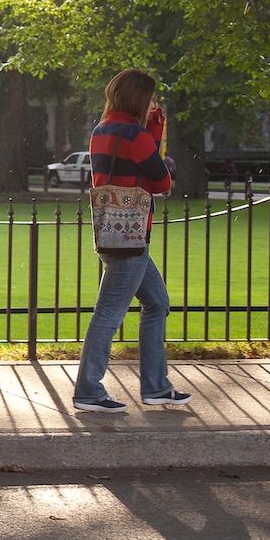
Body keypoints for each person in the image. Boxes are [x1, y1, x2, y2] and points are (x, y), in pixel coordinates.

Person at [71, 68, 192, 414]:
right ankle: (88, 390)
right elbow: (162, 182)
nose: (153, 102)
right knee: (108, 314)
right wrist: (153, 136)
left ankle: (156, 387)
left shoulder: (101, 130)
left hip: (111, 233)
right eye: (150, 97)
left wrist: (148, 136)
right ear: (140, 99)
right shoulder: (136, 136)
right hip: (133, 237)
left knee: (157, 303)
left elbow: (128, 167)